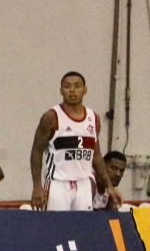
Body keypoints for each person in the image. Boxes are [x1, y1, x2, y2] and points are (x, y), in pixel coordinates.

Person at [29, 72, 122, 211]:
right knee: (56, 228)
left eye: (77, 86)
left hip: (84, 184)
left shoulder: (93, 118)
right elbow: (36, 152)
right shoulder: (51, 117)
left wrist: (108, 185)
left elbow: (96, 156)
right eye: (67, 86)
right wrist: (37, 186)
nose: (72, 90)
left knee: (81, 229)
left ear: (85, 90)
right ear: (61, 90)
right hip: (58, 184)